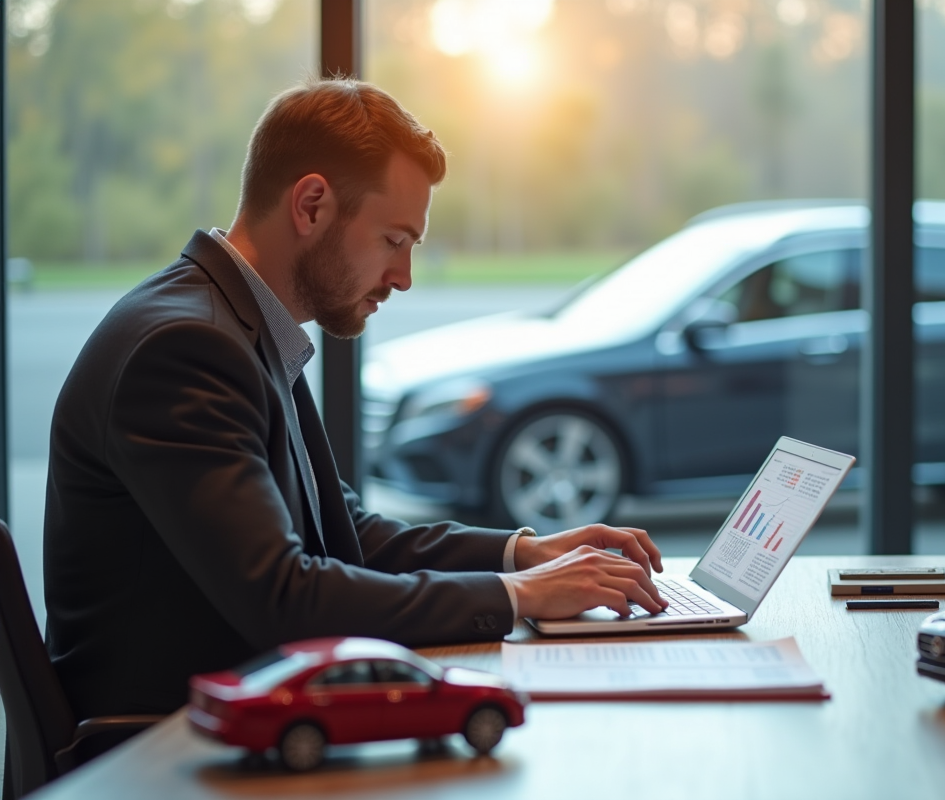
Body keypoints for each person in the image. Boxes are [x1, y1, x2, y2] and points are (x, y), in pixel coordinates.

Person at [43, 78, 667, 721]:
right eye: (393, 241)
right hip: (158, 754)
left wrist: (522, 553)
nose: (403, 277)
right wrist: (518, 595)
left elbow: (343, 535)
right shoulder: (185, 348)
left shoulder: (237, 325)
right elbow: (284, 599)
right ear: (311, 205)